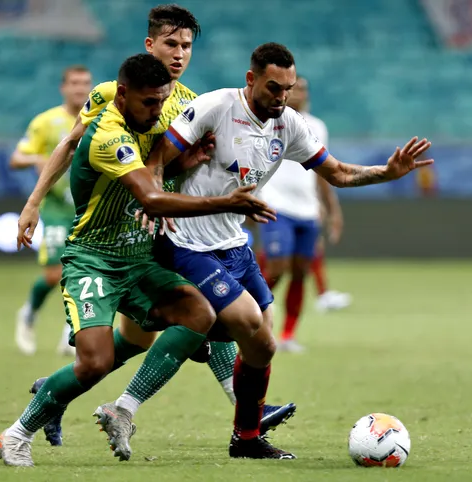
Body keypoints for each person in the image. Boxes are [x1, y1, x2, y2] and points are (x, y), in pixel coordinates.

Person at [103, 42, 434, 460]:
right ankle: (154, 379)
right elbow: (157, 156)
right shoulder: (216, 107)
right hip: (187, 241)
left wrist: (388, 173)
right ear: (251, 79)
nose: (281, 97)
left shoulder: (290, 124)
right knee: (242, 319)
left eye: (288, 89)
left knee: (263, 344)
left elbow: (337, 173)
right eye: (274, 88)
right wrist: (152, 201)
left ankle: (245, 440)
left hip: (233, 243)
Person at [20, 4, 296, 448]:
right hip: (116, 231)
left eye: (187, 45)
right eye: (171, 43)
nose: (180, 53)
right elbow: (73, 142)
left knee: (140, 339)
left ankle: (54, 393)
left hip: (159, 231)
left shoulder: (191, 103)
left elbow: (183, 168)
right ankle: (242, 410)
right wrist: (34, 201)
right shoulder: (114, 93)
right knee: (192, 318)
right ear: (150, 44)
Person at [257, 75, 345, 352]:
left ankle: (287, 336)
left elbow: (323, 170)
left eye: (304, 90)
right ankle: (250, 320)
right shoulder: (268, 121)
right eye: (295, 90)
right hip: (276, 205)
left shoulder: (318, 126)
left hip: (307, 210)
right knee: (277, 266)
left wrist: (332, 208)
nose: (300, 94)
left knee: (300, 273)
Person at [9, 65, 92, 357]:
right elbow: (16, 157)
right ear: (63, 88)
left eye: (85, 83)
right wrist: (38, 159)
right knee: (55, 273)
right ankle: (29, 312)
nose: (80, 89)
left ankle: (72, 330)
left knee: (84, 270)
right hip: (57, 208)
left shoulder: (100, 118)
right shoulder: (46, 122)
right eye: (74, 83)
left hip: (90, 208)